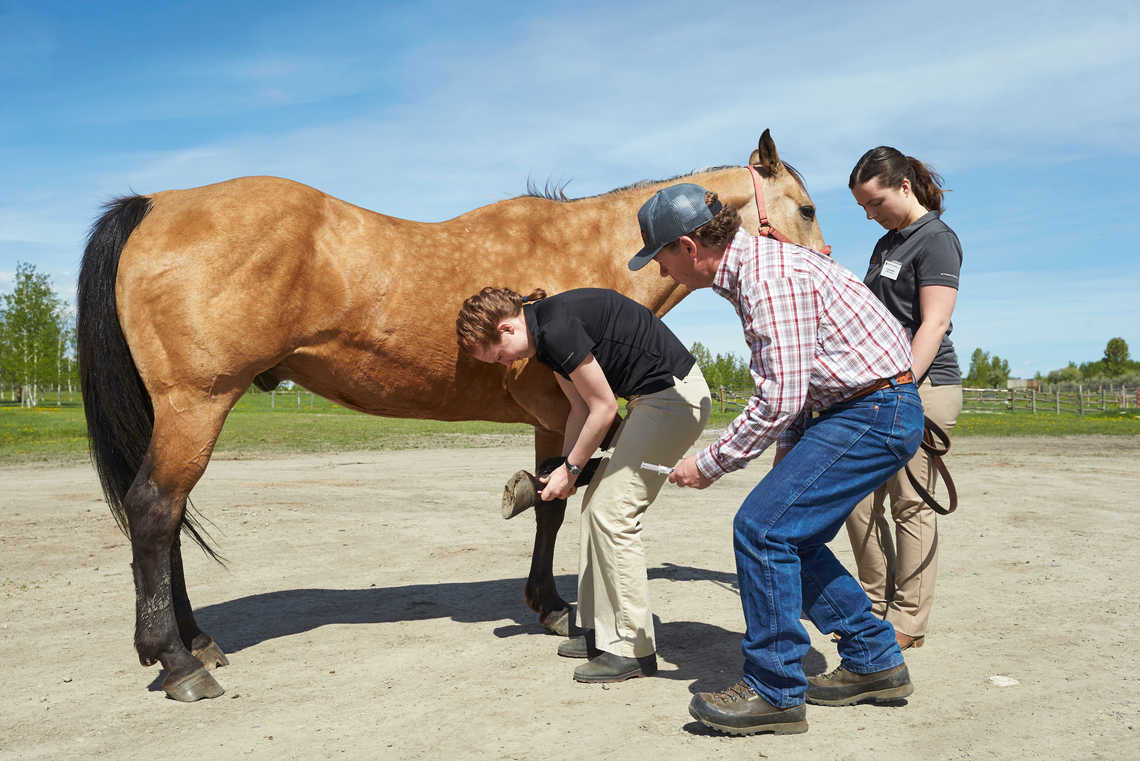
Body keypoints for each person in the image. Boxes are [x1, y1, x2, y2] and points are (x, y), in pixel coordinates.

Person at [628, 182, 924, 735]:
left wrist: (710, 463)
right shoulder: (757, 270)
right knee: (794, 534)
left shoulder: (768, 277)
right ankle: (873, 657)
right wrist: (786, 448)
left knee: (762, 530)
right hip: (862, 409)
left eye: (662, 258)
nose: (663, 273)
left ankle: (775, 689)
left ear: (689, 247)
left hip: (872, 411)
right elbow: (805, 379)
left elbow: (780, 396)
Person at [456, 286, 710, 683]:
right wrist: (563, 466)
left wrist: (572, 469)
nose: (504, 364)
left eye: (499, 355)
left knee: (613, 513)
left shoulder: (556, 329)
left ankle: (631, 647)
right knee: (595, 507)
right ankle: (599, 630)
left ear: (505, 329)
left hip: (672, 398)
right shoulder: (545, 337)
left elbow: (606, 409)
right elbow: (581, 408)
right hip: (651, 400)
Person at [844, 147, 964, 651]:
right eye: (864, 208)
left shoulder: (936, 240)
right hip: (880, 387)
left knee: (910, 503)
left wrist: (902, 387)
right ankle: (875, 602)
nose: (871, 215)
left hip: (923, 386)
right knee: (855, 501)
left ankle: (908, 619)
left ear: (904, 187)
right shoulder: (887, 245)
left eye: (875, 202)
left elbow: (932, 324)